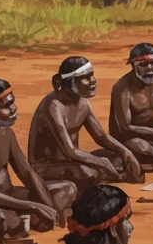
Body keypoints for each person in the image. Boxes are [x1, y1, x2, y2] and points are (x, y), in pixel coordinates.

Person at [0, 77, 74, 237]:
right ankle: (20, 223)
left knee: (66, 190)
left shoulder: (7, 132)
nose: (14, 109)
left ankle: (27, 221)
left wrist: (49, 205)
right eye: (6, 106)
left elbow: (27, 173)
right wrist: (34, 206)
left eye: (12, 102)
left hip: (11, 196)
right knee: (5, 218)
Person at [29, 56, 143, 191]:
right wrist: (102, 162)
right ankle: (104, 178)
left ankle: (106, 174)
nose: (93, 81)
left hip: (72, 161)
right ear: (66, 81)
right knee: (87, 172)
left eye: (92, 75)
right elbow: (70, 151)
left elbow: (101, 136)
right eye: (85, 77)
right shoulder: (53, 107)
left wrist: (126, 152)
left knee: (118, 157)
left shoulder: (83, 103)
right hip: (47, 167)